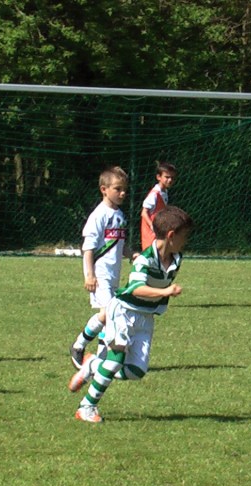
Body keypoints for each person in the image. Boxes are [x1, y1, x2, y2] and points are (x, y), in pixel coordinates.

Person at [68, 205, 194, 423]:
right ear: (171, 235)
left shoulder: (176, 258)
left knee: (137, 371)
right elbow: (136, 289)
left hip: (146, 317)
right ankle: (86, 407)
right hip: (123, 312)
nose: (186, 241)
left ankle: (92, 365)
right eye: (184, 236)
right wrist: (165, 292)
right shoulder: (144, 259)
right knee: (115, 361)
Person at [69, 166, 130, 369]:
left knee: (109, 316)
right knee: (108, 314)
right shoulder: (99, 215)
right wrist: (89, 275)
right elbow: (88, 248)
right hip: (100, 274)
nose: (122, 193)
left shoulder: (120, 216)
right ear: (104, 189)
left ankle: (99, 357)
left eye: (124, 189)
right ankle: (80, 347)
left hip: (114, 275)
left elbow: (119, 244)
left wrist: (132, 254)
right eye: (118, 189)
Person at [140, 162, 177, 251]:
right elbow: (144, 213)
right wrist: (152, 226)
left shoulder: (164, 192)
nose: (170, 180)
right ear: (158, 177)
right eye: (167, 177)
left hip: (159, 231)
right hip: (151, 234)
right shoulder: (154, 194)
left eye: (172, 178)